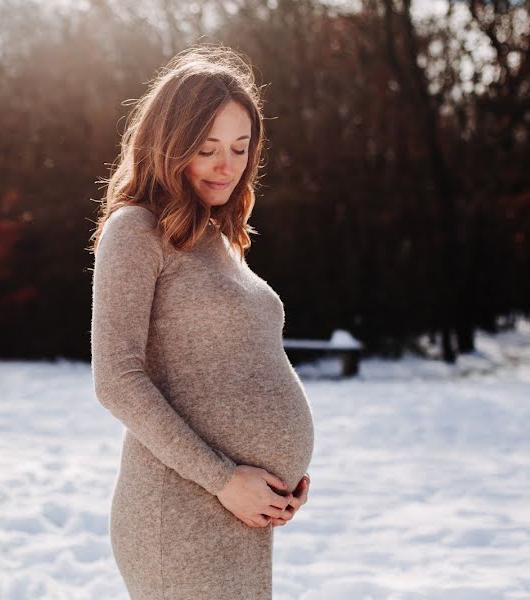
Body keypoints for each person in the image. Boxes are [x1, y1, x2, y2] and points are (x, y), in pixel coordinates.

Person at [89, 44, 314, 600]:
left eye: (240, 148)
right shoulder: (136, 231)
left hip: (236, 513)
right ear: (168, 145)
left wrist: (279, 483)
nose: (226, 165)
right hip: (180, 508)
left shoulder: (217, 241)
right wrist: (224, 479)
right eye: (207, 148)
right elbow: (115, 378)